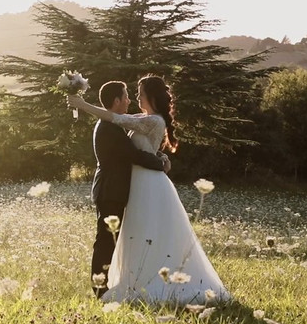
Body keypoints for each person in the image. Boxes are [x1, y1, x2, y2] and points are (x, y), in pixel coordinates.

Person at [68, 75, 232, 305]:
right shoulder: (142, 119)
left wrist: (82, 105)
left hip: (148, 183)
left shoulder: (153, 121)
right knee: (134, 233)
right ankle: (127, 280)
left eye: (140, 94)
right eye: (130, 94)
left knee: (151, 232)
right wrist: (161, 158)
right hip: (132, 184)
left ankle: (152, 280)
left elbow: (120, 124)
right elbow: (121, 124)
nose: (135, 97)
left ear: (151, 97)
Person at [78, 80, 170, 300]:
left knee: (114, 239)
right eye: (127, 96)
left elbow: (140, 146)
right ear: (117, 101)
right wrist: (162, 163)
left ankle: (112, 285)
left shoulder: (117, 124)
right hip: (111, 191)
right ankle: (100, 291)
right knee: (105, 241)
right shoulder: (109, 127)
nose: (130, 100)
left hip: (117, 190)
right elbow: (135, 155)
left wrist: (160, 156)